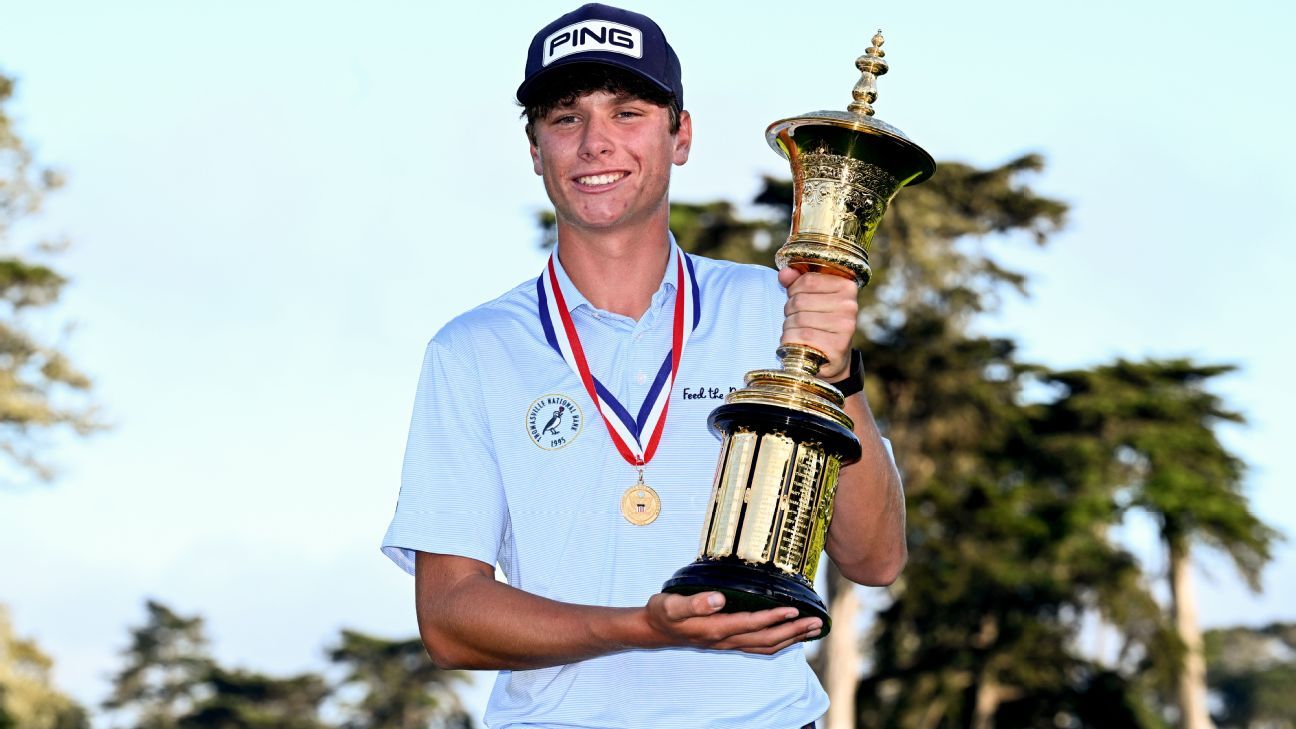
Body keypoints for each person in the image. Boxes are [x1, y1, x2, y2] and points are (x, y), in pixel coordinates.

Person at [381, 4, 906, 727]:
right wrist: (643, 626)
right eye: (565, 119)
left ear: (680, 134)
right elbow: (447, 617)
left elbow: (875, 559)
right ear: (535, 148)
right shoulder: (472, 350)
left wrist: (841, 375)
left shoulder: (775, 307)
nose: (596, 143)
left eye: (628, 112)